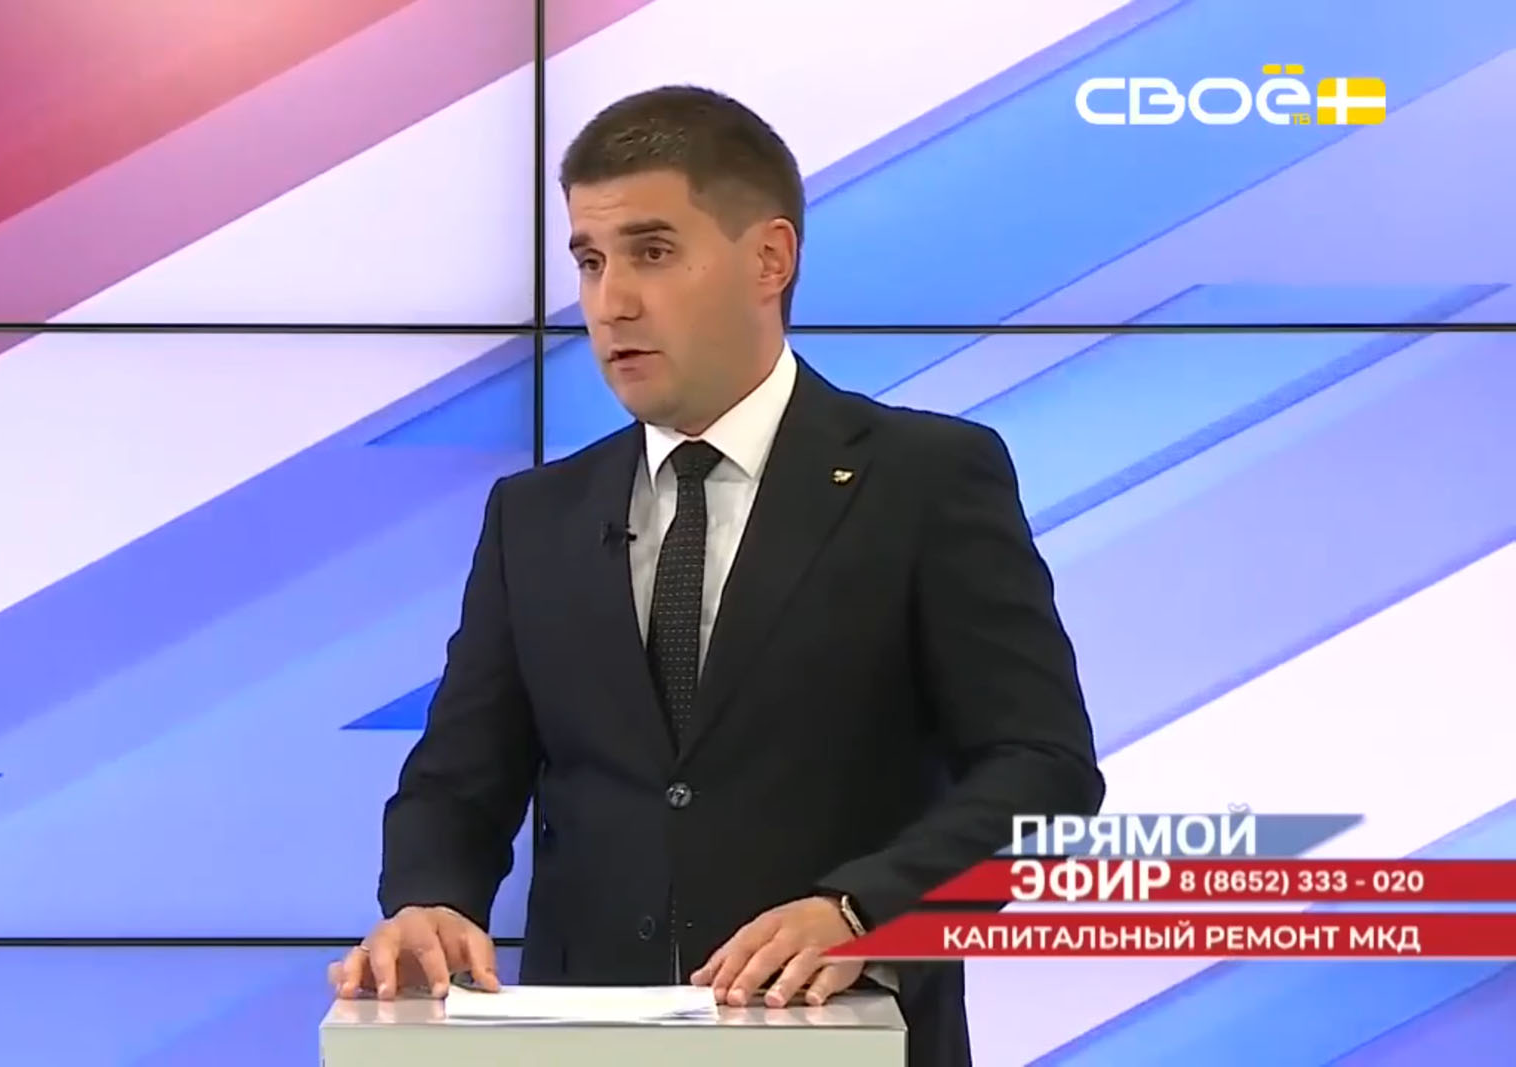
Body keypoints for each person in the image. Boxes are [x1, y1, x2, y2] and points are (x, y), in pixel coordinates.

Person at [328, 84, 1103, 1066]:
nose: (611, 301)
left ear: (769, 259)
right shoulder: (535, 516)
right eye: (590, 260)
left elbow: (1042, 769)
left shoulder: (926, 478)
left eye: (652, 252)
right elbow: (456, 780)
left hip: (841, 1037)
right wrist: (428, 900)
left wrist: (862, 909)